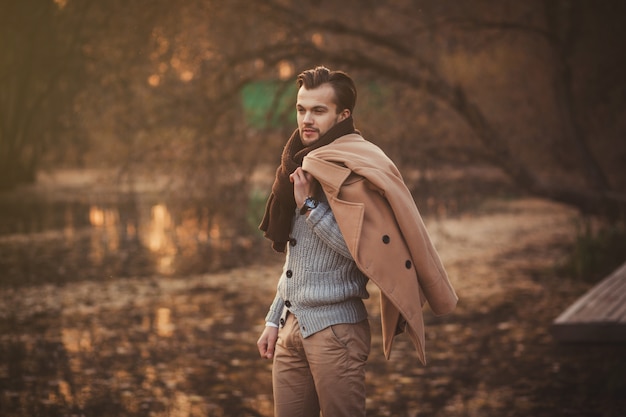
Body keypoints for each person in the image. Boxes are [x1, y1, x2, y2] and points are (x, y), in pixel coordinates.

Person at [257, 66, 458, 417]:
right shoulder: (300, 163)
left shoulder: (359, 168)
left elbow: (360, 250)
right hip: (292, 328)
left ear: (342, 115)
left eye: (319, 111)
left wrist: (308, 206)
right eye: (301, 109)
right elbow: (296, 259)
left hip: (336, 331)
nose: (307, 119)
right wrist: (274, 320)